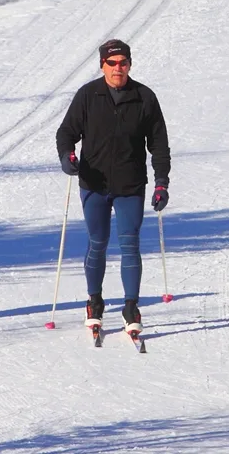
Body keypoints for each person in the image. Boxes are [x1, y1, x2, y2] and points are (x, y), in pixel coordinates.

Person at [55, 39, 171, 335]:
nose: (118, 68)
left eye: (123, 62)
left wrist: (161, 183)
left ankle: (130, 306)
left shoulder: (144, 97)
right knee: (98, 242)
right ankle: (95, 301)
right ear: (102, 65)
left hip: (130, 183)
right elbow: (66, 132)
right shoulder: (88, 95)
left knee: (130, 243)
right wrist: (68, 157)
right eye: (112, 63)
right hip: (93, 182)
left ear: (129, 64)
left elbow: (158, 145)